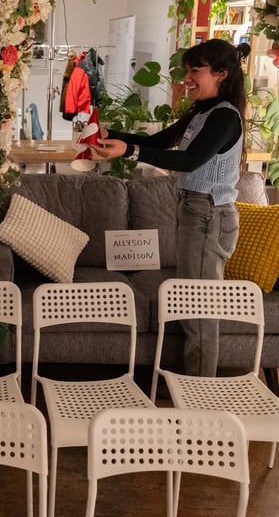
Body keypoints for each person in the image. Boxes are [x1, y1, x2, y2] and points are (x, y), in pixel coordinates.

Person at [90, 39, 249, 378]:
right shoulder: (203, 111)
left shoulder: (224, 117)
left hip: (209, 215)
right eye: (187, 71)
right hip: (195, 212)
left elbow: (189, 160)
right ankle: (189, 384)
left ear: (221, 74)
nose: (187, 79)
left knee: (201, 310)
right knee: (192, 302)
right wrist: (106, 133)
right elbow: (160, 141)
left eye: (195, 71)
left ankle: (199, 394)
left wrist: (129, 152)